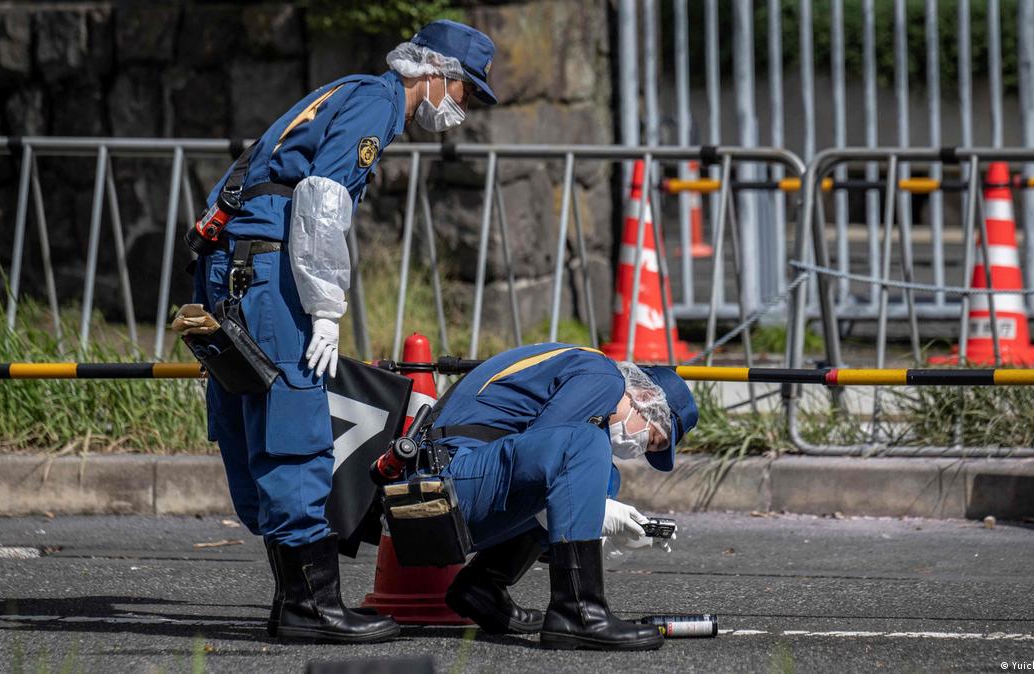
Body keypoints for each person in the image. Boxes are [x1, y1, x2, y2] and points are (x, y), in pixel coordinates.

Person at [191, 20, 498, 644]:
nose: (461, 110)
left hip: (235, 261)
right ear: (435, 74)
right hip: (270, 264)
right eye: (465, 93)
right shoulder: (377, 103)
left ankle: (293, 600)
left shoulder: (345, 89)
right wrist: (326, 307)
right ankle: (312, 606)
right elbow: (322, 200)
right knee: (296, 417)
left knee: (253, 411)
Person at [426, 342, 699, 650]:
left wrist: (610, 537)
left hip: (450, 484)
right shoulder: (604, 376)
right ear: (645, 398)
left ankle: (482, 585)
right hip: (448, 483)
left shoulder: (583, 370)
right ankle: (579, 614)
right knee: (583, 446)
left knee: (603, 477)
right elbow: (547, 464)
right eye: (652, 440)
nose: (639, 450)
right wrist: (601, 516)